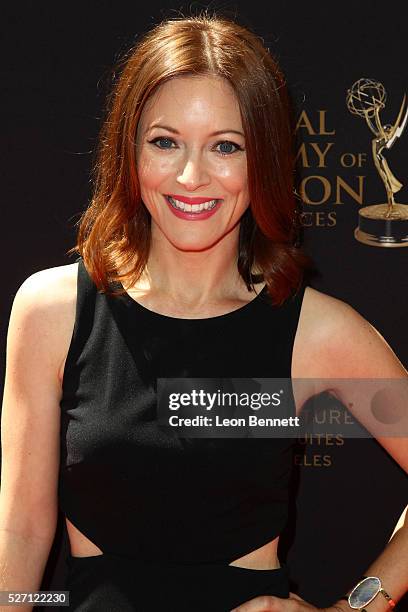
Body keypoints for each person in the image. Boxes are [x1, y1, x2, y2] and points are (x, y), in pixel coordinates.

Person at [1, 11, 407, 612]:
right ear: (129, 152)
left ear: (262, 160)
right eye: (165, 142)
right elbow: (22, 531)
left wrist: (358, 607)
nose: (192, 176)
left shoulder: (314, 332)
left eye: (226, 146)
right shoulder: (53, 311)